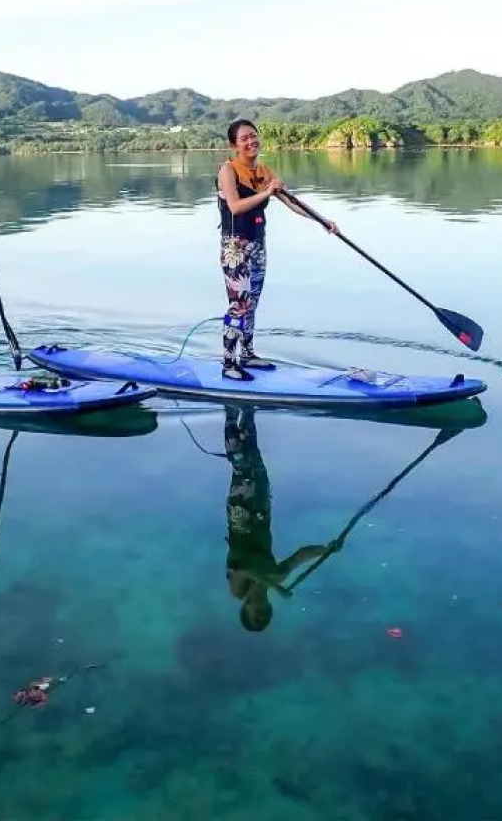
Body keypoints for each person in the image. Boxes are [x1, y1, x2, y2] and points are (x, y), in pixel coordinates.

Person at [215, 118, 339, 381]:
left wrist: (322, 220)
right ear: (234, 145)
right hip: (235, 247)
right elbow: (236, 207)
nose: (251, 142)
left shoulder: (264, 172)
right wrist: (267, 192)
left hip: (259, 246)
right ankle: (228, 363)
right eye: (244, 138)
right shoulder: (228, 171)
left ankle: (247, 354)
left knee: (253, 303)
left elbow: (293, 203)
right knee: (239, 305)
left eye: (254, 136)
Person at [222, 406, 335, 631]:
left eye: (257, 615)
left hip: (241, 517)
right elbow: (301, 555)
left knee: (241, 463)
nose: (263, 613)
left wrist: (272, 585)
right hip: (262, 511)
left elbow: (241, 569)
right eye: (266, 616)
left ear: (246, 609)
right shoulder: (278, 575)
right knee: (256, 461)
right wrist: (326, 549)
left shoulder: (239, 591)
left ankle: (230, 412)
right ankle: (247, 410)